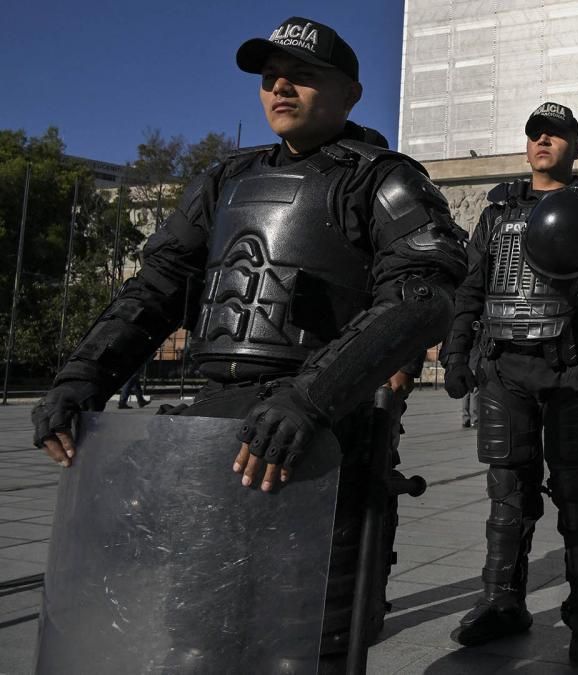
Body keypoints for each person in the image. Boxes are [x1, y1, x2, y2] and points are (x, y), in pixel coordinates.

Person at [30, 16, 467, 671]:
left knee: (305, 644)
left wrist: (310, 398)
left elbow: (424, 294)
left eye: (302, 75)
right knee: (196, 627)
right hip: (208, 438)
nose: (280, 87)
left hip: (320, 440)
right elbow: (155, 290)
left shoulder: (383, 179)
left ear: (350, 92)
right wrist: (78, 380)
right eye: (269, 77)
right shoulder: (221, 181)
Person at [439, 101, 578, 663]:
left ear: (576, 147)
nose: (542, 142)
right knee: (507, 495)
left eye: (555, 135)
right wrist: (457, 352)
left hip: (573, 370)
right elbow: (472, 285)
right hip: (505, 369)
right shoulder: (499, 210)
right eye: (535, 133)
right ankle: (500, 602)